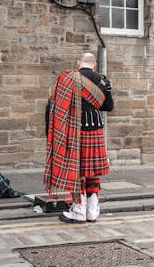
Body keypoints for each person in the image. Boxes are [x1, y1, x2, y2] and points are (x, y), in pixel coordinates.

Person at [44, 52, 114, 223]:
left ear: (78, 64)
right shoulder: (103, 81)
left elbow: (56, 106)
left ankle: (79, 210)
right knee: (92, 172)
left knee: (79, 171)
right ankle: (92, 210)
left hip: (76, 131)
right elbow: (109, 107)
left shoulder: (69, 79)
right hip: (96, 130)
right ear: (94, 65)